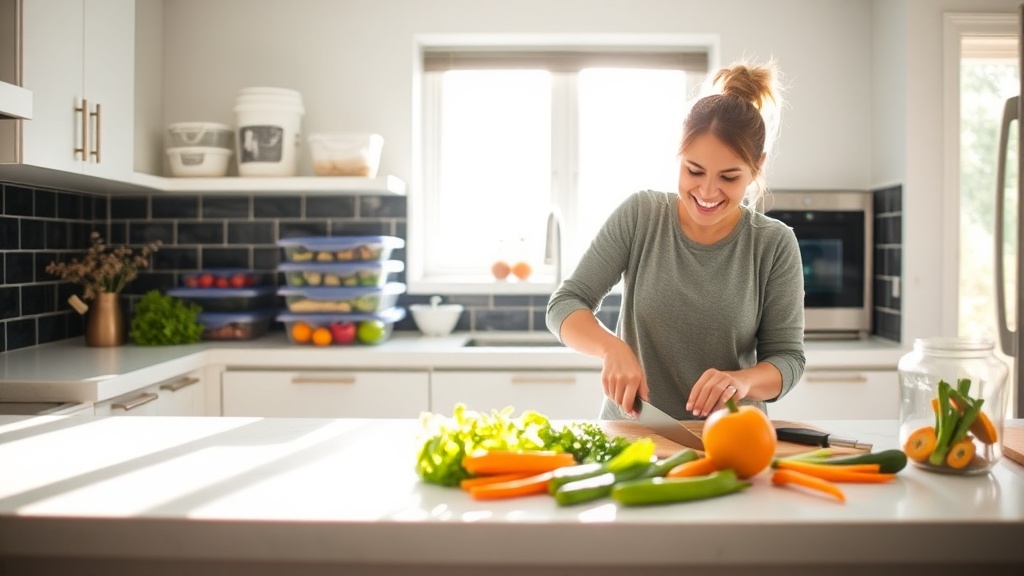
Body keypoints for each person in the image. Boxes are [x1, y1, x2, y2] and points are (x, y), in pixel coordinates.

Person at [546, 61, 805, 421]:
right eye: (693, 171)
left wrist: (742, 382)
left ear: (757, 167)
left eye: (729, 177)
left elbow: (788, 359)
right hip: (632, 432)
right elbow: (565, 304)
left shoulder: (773, 244)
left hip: (729, 438)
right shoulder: (641, 216)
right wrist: (611, 348)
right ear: (678, 155)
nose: (708, 191)